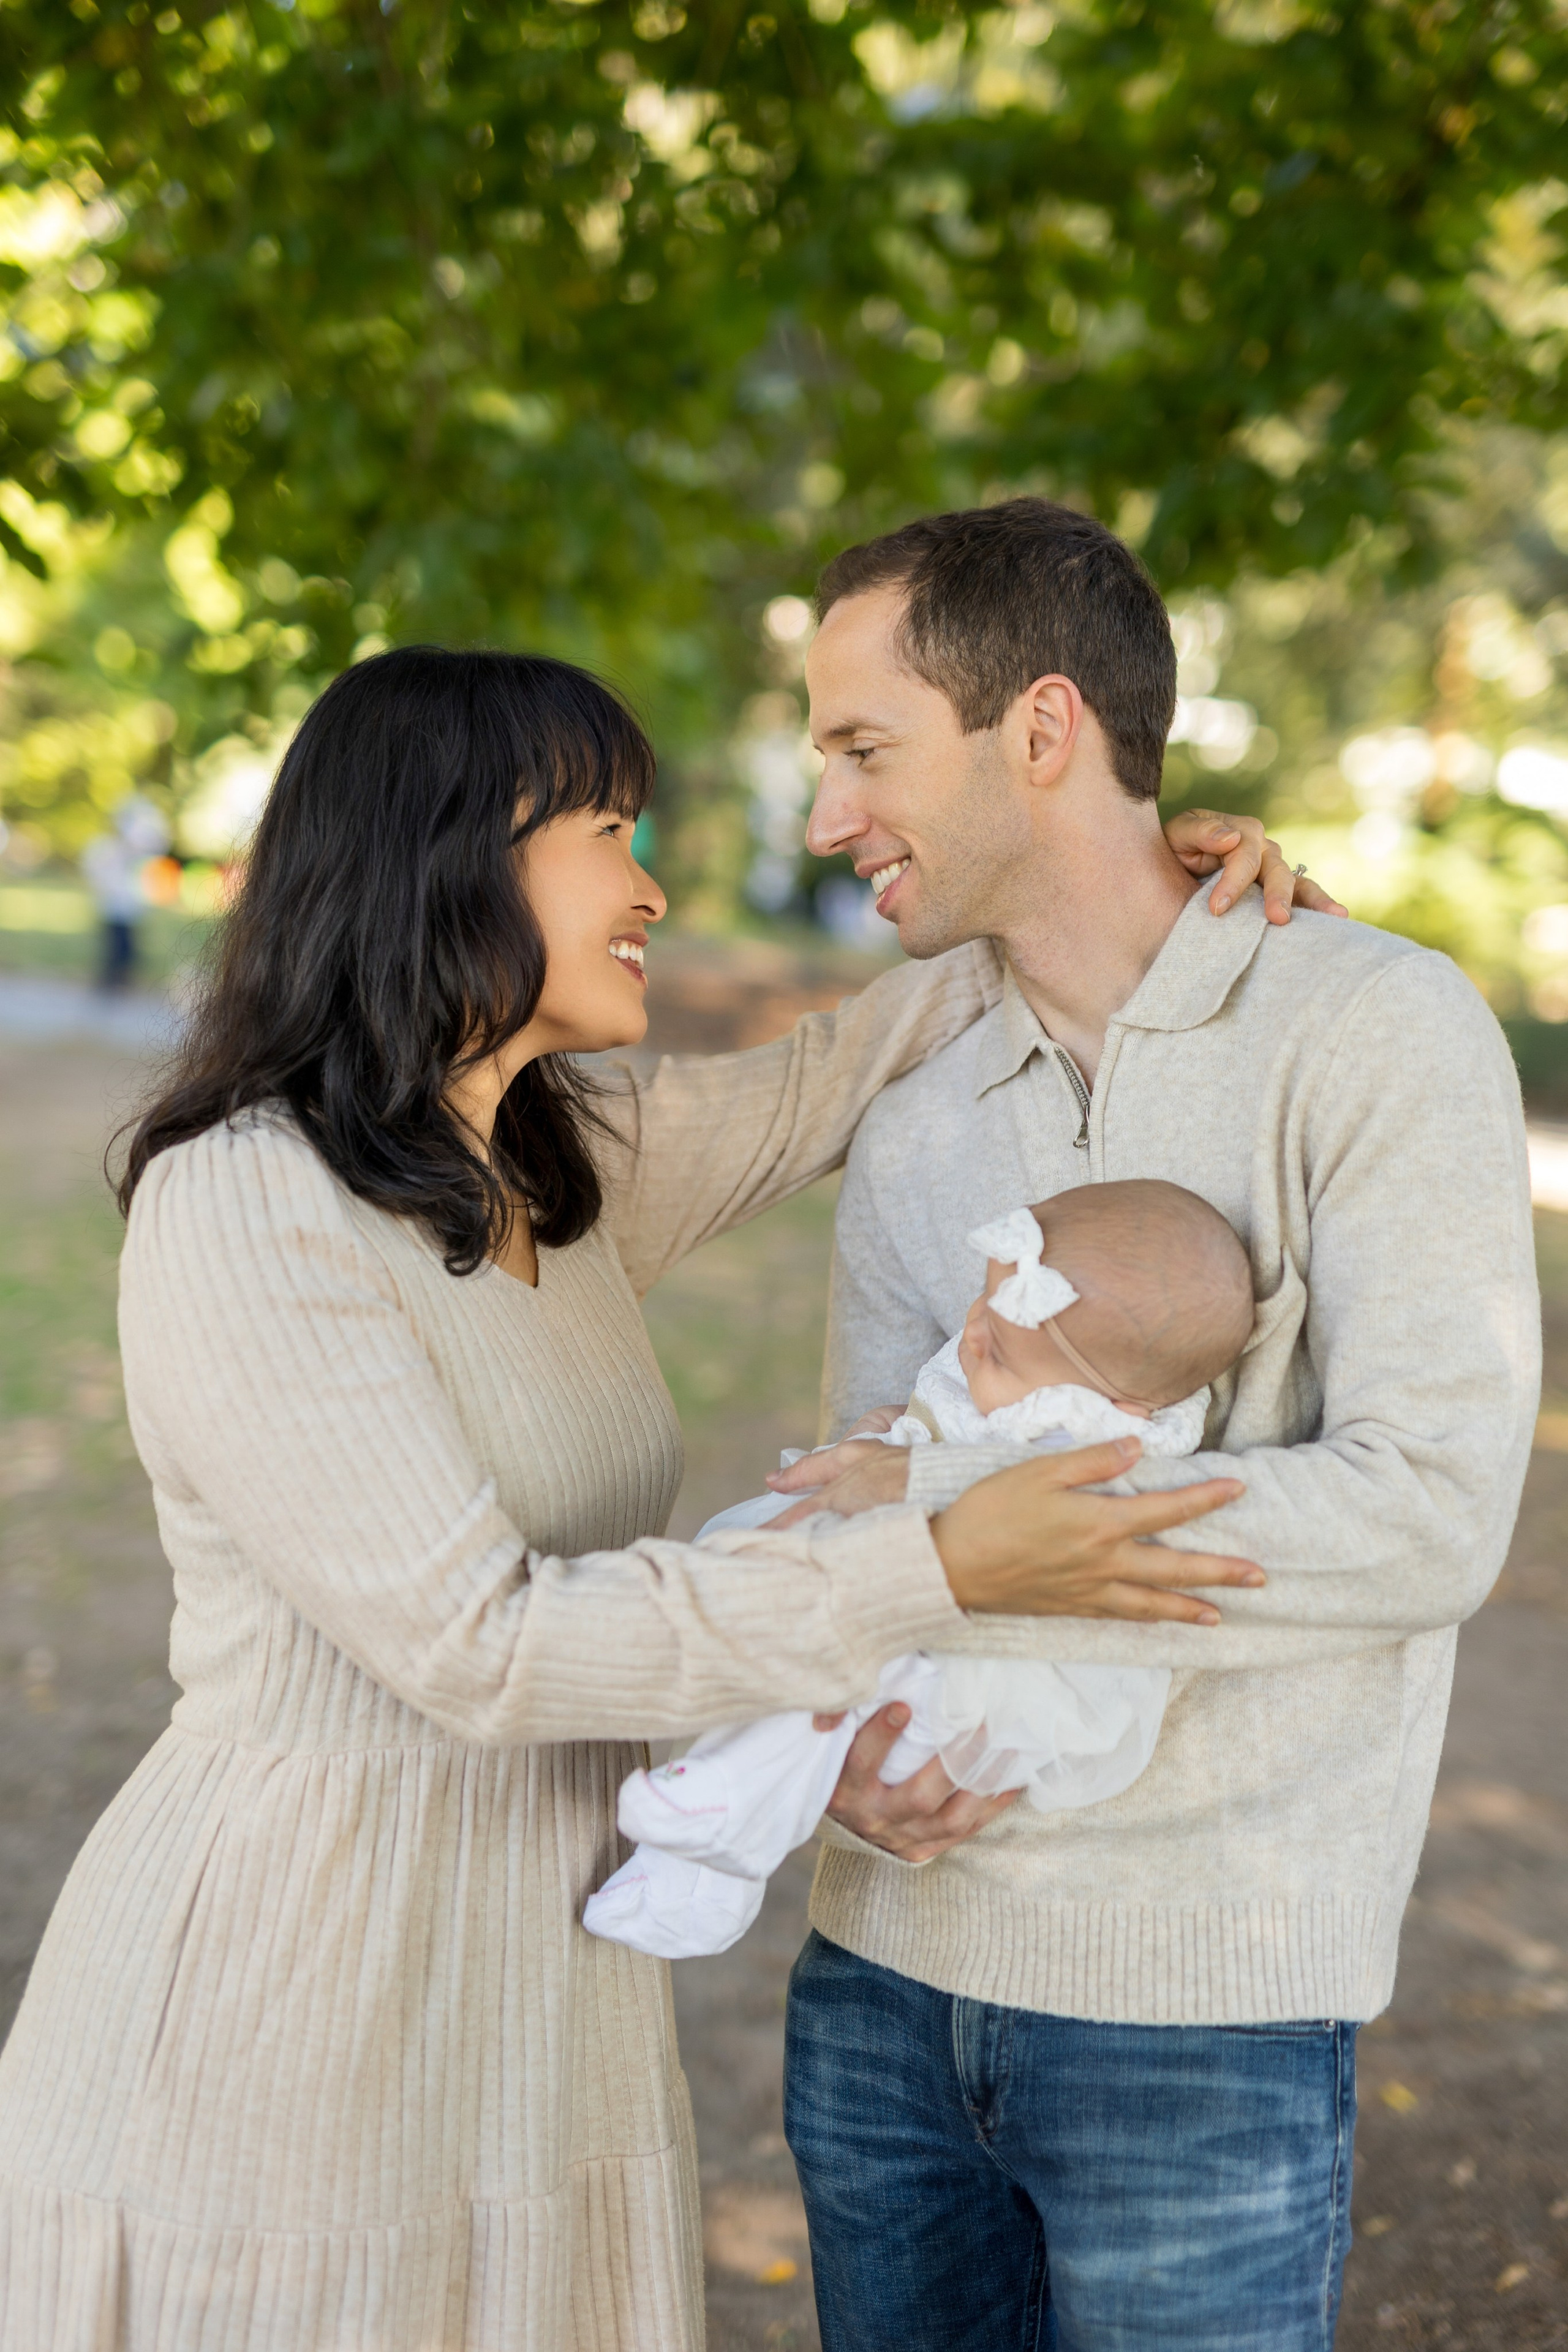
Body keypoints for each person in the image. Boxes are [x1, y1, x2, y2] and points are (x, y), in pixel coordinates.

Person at [0, 647, 1291, 2352]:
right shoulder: (251, 1204)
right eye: (608, 827)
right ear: (455, 854)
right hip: (305, 1977)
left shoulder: (553, 1154)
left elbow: (855, 1057)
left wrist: (1128, 876)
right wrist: (931, 1565)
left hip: (550, 1986)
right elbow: (479, 1650)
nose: (653, 882)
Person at [761, 499, 1540, 2352]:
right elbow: (849, 1501)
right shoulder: (921, 1084)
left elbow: (1425, 1512)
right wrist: (843, 1732)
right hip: (877, 1987)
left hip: (1199, 2019)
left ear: (1039, 731)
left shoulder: (1374, 1030)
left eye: (863, 749)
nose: (822, 817)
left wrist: (953, 1519)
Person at [584, 1179, 1253, 1961]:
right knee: (786, 1637)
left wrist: (905, 1471)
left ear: (1122, 1403)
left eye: (995, 1348)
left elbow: (1008, 1510)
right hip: (930, 1636)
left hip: (975, 1692)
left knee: (825, 1659)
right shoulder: (1038, 1371)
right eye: (980, 1309)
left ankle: (724, 1827)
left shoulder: (1101, 1442)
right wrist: (888, 1432)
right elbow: (941, 1430)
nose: (969, 1338)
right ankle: (693, 1876)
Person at [81, 794, 171, 992]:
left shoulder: (140, 849)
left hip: (131, 904)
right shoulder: (107, 847)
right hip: (114, 902)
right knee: (115, 944)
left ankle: (122, 978)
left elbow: (155, 852)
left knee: (128, 945)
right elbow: (97, 871)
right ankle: (111, 980)